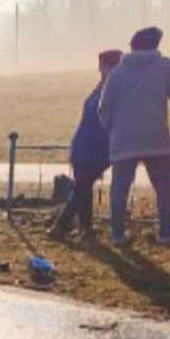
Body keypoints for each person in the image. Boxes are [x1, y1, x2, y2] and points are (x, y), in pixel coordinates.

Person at [98, 26, 170, 247]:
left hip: (123, 138)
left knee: (120, 188)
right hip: (156, 137)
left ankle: (118, 235)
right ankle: (167, 231)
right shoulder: (166, 67)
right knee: (163, 187)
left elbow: (104, 108)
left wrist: (112, 130)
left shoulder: (117, 73)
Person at [49, 49, 121, 238]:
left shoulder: (113, 89)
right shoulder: (100, 88)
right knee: (83, 187)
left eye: (103, 66)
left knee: (81, 186)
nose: (100, 70)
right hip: (84, 144)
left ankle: (62, 225)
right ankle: (85, 227)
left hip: (98, 147)